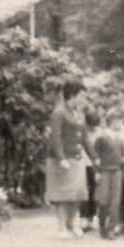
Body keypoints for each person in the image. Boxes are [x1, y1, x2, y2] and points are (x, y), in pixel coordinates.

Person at [45, 79, 91, 236]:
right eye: (82, 95)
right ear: (72, 95)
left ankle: (73, 223)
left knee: (77, 193)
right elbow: (55, 137)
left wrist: (96, 158)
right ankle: (62, 227)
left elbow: (85, 138)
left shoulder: (79, 113)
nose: (84, 99)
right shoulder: (59, 112)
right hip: (62, 159)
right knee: (62, 194)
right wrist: (61, 158)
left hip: (77, 157)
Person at [89, 110, 124, 239]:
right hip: (104, 171)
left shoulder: (120, 139)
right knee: (103, 200)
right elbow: (94, 156)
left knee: (115, 201)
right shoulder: (101, 137)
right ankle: (102, 225)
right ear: (113, 121)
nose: (121, 123)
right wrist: (96, 172)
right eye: (119, 121)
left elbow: (123, 156)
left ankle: (111, 228)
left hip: (117, 172)